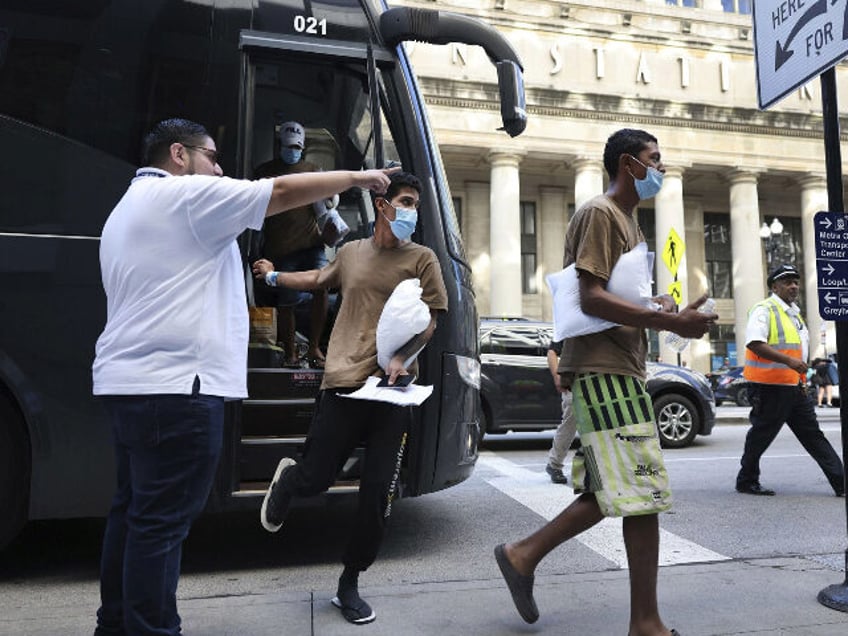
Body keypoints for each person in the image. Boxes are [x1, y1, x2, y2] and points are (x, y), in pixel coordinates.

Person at [91, 117, 395, 636]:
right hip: (178, 391)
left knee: (134, 515)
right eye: (212, 157)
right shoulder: (182, 198)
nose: (220, 169)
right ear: (179, 156)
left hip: (132, 387)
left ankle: (115, 625)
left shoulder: (128, 207)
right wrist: (354, 178)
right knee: (159, 526)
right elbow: (275, 191)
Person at [493, 129, 713, 636]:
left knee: (609, 491)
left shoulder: (630, 225)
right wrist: (668, 324)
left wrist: (658, 308)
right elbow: (589, 296)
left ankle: (522, 555)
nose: (661, 167)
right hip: (605, 372)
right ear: (628, 165)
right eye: (655, 159)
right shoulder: (600, 213)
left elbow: (617, 300)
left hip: (619, 366)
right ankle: (646, 624)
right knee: (644, 492)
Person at [253, 171, 448, 625]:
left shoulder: (423, 259)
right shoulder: (352, 252)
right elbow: (320, 279)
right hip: (343, 381)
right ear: (382, 206)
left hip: (394, 392)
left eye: (415, 204)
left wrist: (403, 356)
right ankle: (291, 480)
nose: (410, 211)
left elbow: (432, 322)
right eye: (404, 201)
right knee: (317, 479)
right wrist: (276, 274)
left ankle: (350, 582)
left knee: (378, 492)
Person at [736, 263, 845, 497]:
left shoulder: (794, 314)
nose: (793, 286)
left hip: (794, 387)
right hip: (769, 388)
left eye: (796, 281)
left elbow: (798, 353)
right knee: (761, 435)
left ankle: (841, 483)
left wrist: (801, 378)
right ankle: (746, 480)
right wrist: (789, 362)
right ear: (774, 286)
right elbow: (755, 343)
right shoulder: (764, 309)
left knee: (813, 436)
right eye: (787, 282)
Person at [254, 121, 333, 368]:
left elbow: (326, 205)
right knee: (286, 300)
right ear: (280, 145)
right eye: (289, 146)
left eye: (297, 146)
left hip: (312, 243)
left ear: (303, 146)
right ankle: (290, 353)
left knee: (322, 288)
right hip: (281, 247)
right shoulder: (264, 172)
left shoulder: (313, 169)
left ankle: (314, 349)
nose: (293, 150)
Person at [544, 338, 576, 485]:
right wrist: (557, 378)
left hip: (597, 380)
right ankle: (554, 465)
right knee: (569, 425)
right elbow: (552, 352)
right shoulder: (570, 324)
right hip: (574, 383)